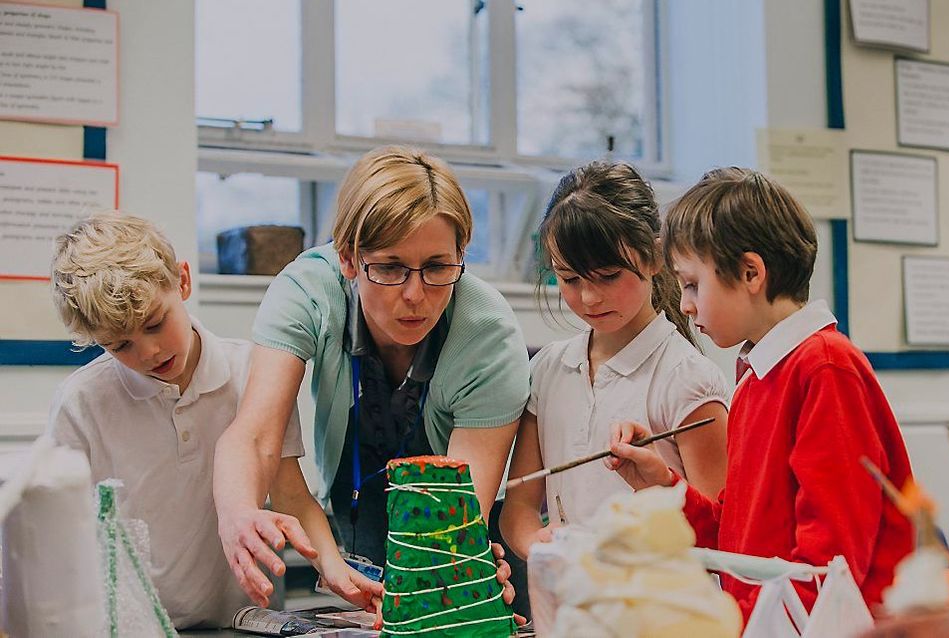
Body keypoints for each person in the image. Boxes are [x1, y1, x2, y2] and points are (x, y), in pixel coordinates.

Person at [213, 146, 530, 612]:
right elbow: (260, 436)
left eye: (438, 267)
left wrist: (442, 582)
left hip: (461, 538)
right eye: (389, 267)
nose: (415, 295)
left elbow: (460, 518)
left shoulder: (488, 336)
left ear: (462, 255)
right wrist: (238, 511)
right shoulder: (308, 292)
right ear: (348, 259)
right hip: (355, 519)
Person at [606, 167, 914, 620]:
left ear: (751, 272)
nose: (686, 304)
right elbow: (735, 535)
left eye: (692, 284)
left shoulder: (825, 367)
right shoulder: (757, 376)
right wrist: (664, 486)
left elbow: (830, 566)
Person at [46, 212, 366, 629]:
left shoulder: (253, 372)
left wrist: (335, 568)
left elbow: (290, 494)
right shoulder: (81, 402)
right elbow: (61, 535)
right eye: (120, 345)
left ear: (182, 280)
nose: (148, 353)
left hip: (237, 620)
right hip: (132, 626)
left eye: (155, 323)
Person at [499, 161, 729, 561]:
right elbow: (518, 508)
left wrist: (661, 486)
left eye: (607, 276)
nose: (588, 298)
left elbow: (722, 533)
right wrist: (539, 545)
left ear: (655, 257)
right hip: (572, 610)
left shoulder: (689, 380)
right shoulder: (549, 369)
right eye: (569, 279)